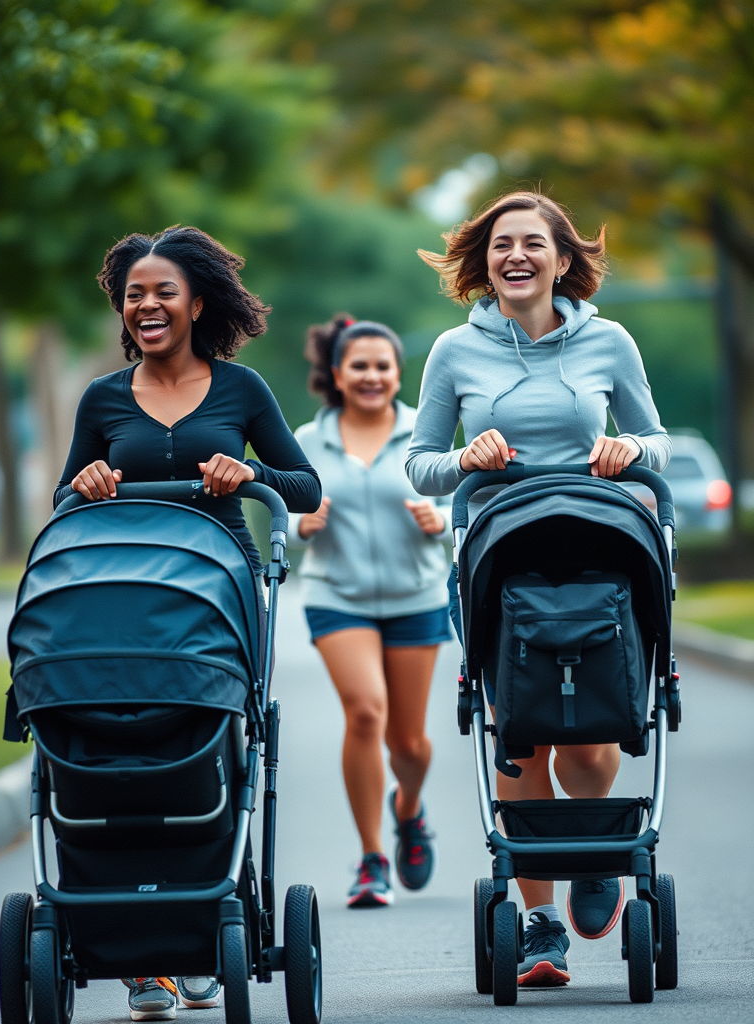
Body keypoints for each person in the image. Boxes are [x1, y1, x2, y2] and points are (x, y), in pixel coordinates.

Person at [54, 225, 321, 1022]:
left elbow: (301, 489)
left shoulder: (242, 391)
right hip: (121, 595)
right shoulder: (102, 398)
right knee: (125, 743)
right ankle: (140, 945)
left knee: (214, 747)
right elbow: (63, 502)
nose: (146, 305)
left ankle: (209, 922)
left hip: (219, 591)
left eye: (162, 291)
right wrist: (90, 481)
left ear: (197, 302)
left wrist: (252, 471)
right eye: (134, 294)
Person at [406, 191, 671, 987]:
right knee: (517, 727)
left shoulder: (610, 341)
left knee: (591, 738)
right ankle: (540, 924)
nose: (514, 256)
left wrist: (629, 449)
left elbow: (655, 438)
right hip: (500, 559)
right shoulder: (455, 349)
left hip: (602, 553)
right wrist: (465, 461)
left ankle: (594, 852)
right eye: (499, 245)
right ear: (482, 263)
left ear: (562, 259)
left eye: (532, 243)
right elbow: (420, 461)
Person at [289, 315, 451, 909]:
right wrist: (299, 524)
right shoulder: (307, 440)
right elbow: (280, 516)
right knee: (364, 714)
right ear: (337, 373)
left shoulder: (424, 432)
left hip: (417, 596)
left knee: (409, 744)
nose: (372, 376)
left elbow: (466, 500)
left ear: (399, 373)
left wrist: (445, 522)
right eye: (359, 365)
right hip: (338, 596)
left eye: (383, 365)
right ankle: (371, 858)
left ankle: (408, 810)